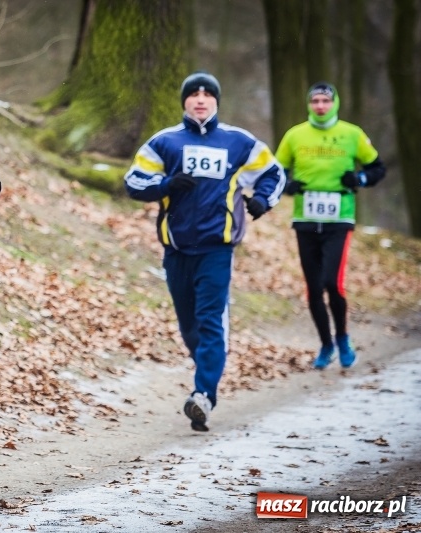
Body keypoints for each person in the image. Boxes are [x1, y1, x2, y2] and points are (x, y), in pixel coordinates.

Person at [124, 71, 285, 432]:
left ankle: (203, 395)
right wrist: (166, 184)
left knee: (211, 321)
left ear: (216, 101)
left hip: (216, 248)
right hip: (177, 249)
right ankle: (207, 374)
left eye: (207, 94)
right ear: (184, 101)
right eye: (193, 94)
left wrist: (261, 200)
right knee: (189, 325)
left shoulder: (238, 142)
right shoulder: (165, 142)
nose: (200, 99)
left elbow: (274, 173)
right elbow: (133, 181)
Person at [275, 82, 386, 371]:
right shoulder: (295, 135)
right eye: (315, 101)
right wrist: (288, 185)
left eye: (325, 101)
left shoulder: (352, 134)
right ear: (308, 105)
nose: (320, 106)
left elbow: (378, 168)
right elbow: (276, 173)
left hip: (339, 219)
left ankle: (343, 338)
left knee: (331, 283)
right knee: (313, 287)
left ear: (335, 103)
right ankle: (326, 344)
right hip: (306, 219)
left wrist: (359, 180)